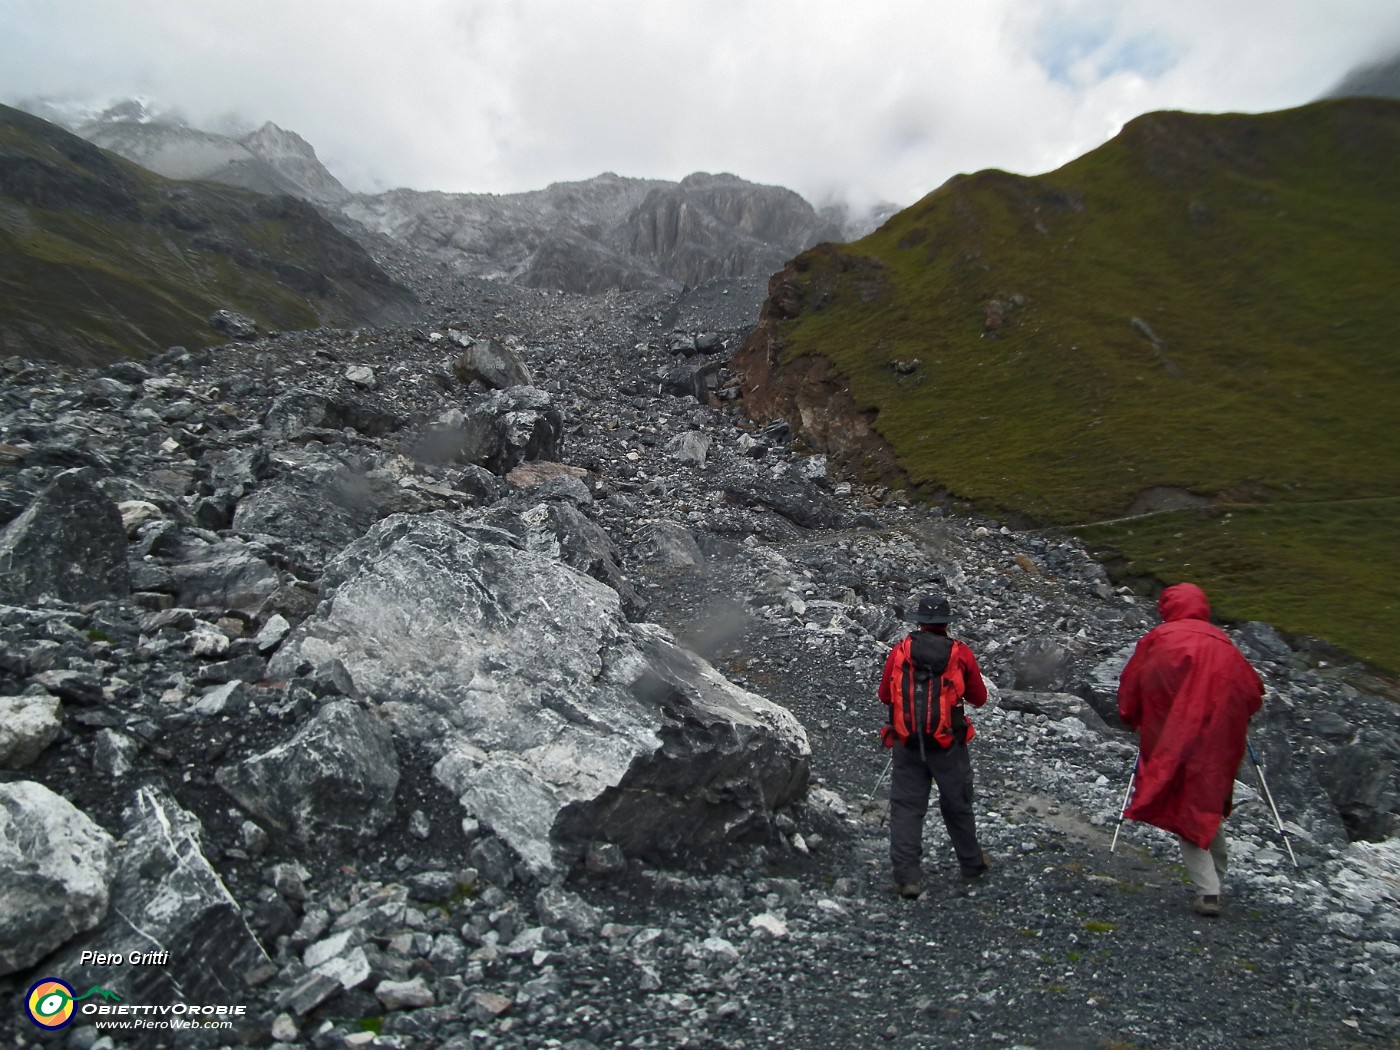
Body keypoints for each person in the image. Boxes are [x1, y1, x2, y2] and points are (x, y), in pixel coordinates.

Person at [1117, 582, 1264, 917]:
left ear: (1169, 607)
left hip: (1174, 739)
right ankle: (1216, 879)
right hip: (1222, 742)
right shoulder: (1223, 643)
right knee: (1205, 802)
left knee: (1185, 807)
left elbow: (1135, 683)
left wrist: (1133, 716)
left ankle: (1209, 891)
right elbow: (1253, 692)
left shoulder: (1160, 639)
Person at [878, 593, 990, 899]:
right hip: (948, 744)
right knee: (957, 803)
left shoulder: (900, 651)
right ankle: (972, 866)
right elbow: (980, 698)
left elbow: (885, 695)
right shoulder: (961, 653)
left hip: (907, 741)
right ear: (945, 624)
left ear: (920, 623)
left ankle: (907, 878)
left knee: (906, 808)